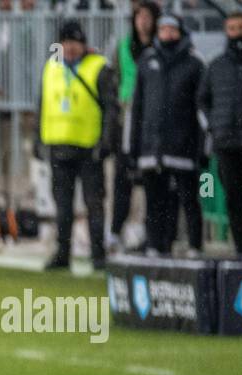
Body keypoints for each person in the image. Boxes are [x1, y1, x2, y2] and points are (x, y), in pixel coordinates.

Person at [36, 20, 118, 272]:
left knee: (94, 204)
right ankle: (63, 253)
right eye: (66, 42)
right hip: (59, 145)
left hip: (88, 147)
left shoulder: (99, 68)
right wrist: (38, 140)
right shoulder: (51, 67)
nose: (70, 48)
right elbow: (42, 105)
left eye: (75, 43)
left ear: (83, 44)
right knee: (62, 205)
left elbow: (111, 109)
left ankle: (97, 254)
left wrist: (106, 142)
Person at [126, 14, 205, 257]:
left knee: (190, 199)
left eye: (172, 30)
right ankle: (154, 245)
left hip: (183, 146)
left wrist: (202, 149)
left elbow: (201, 109)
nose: (168, 35)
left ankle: (194, 246)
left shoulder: (195, 63)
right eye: (164, 30)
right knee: (154, 201)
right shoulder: (147, 61)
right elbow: (136, 107)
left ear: (180, 32)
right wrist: (133, 148)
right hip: (152, 147)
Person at [198, 9, 242, 256]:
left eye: (241, 28)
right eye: (232, 29)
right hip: (226, 143)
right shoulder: (216, 65)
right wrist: (214, 126)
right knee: (233, 200)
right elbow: (202, 100)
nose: (237, 34)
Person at [110, 1, 160, 250]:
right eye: (138, 15)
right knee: (123, 178)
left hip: (153, 121)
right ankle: (115, 231)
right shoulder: (122, 47)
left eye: (147, 16)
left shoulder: (161, 49)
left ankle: (153, 234)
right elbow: (115, 81)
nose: (142, 21)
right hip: (127, 119)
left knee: (152, 181)